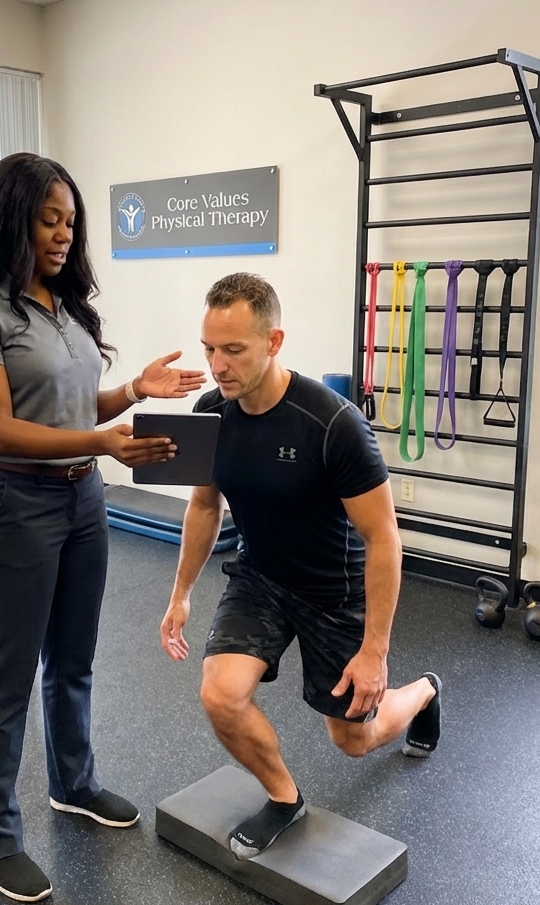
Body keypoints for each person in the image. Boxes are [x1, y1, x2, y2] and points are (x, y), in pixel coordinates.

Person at [0, 152, 205, 903]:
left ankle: (73, 783)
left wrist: (132, 391)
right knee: (5, 677)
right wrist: (102, 443)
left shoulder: (63, 304)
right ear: (9, 219)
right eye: (48, 220)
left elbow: (76, 407)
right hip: (11, 502)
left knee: (74, 658)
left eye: (70, 222)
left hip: (82, 499)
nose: (63, 234)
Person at [160, 273, 441, 860]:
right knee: (221, 695)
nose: (217, 365)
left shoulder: (334, 424)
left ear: (274, 341)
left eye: (233, 349)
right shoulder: (210, 412)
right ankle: (284, 799)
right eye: (209, 348)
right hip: (260, 577)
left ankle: (421, 693)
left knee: (354, 739)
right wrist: (181, 592)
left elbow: (383, 539)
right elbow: (205, 505)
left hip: (333, 591)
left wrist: (375, 652)